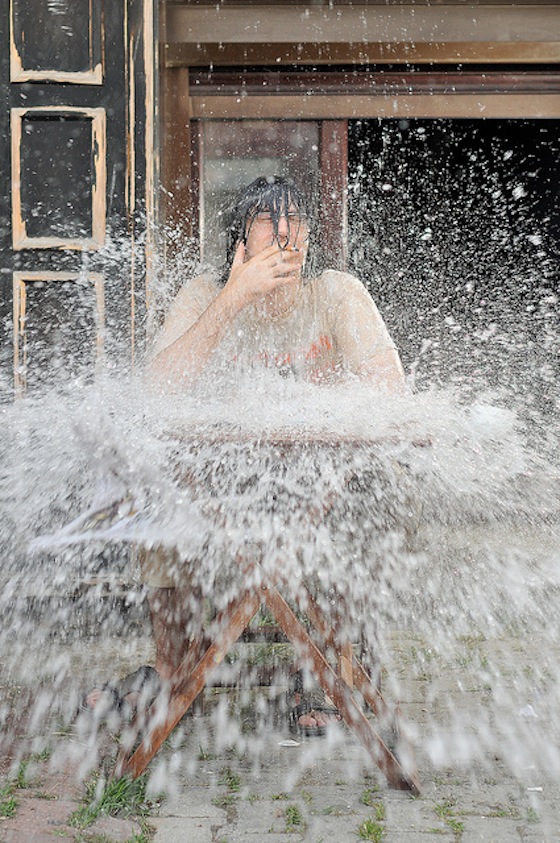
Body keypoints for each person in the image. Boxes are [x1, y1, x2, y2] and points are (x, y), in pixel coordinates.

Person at [86, 175, 405, 726]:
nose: (286, 236)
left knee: (368, 497)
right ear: (241, 239)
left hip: (318, 485)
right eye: (266, 222)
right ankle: (172, 671)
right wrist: (235, 297)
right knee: (161, 500)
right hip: (226, 489)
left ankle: (336, 672)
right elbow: (157, 392)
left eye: (296, 222)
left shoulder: (335, 293)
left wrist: (332, 399)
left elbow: (393, 395)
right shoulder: (205, 295)